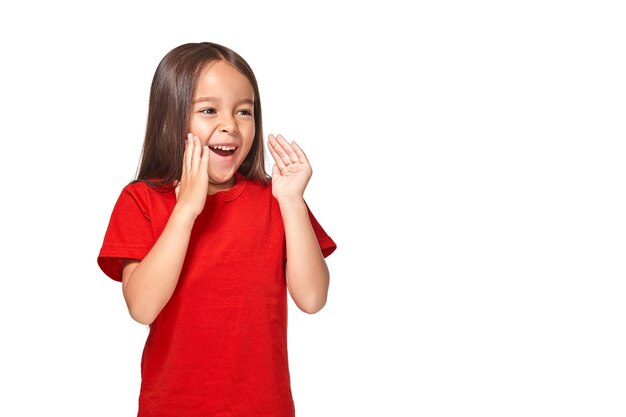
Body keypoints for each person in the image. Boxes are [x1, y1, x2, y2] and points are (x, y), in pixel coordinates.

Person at [96, 42, 337, 417]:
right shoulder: (141, 200)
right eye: (209, 110)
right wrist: (187, 210)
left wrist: (292, 201)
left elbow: (312, 298)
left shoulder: (277, 200)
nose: (231, 124)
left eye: (244, 111)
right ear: (171, 118)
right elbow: (142, 307)